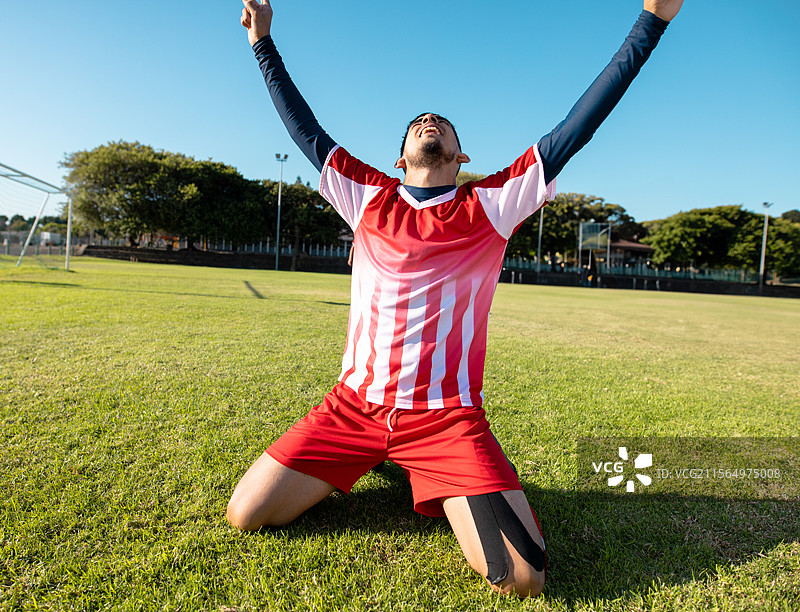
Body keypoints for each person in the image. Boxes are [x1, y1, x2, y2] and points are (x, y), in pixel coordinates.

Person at [228, 0, 684, 598]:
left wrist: (650, 22)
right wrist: (263, 42)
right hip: (352, 409)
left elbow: (577, 124)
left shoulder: (489, 204)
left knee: (525, 578)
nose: (429, 123)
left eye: (441, 123)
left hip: (447, 420)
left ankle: (427, 470)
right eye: (418, 123)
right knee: (247, 514)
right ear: (399, 159)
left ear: (461, 156)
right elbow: (305, 128)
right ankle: (386, 461)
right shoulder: (367, 196)